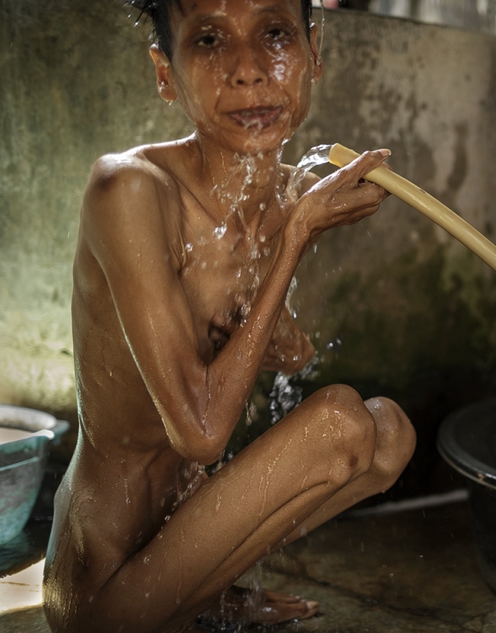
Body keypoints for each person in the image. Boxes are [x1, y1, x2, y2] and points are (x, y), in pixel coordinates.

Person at [43, 1, 416, 631]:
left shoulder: (286, 196)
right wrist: (296, 236)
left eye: (274, 34)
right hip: (101, 595)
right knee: (341, 424)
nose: (249, 70)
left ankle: (199, 591)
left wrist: (275, 323)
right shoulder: (129, 190)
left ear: (312, 52)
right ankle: (179, 598)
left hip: (180, 539)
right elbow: (202, 433)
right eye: (211, 41)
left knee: (390, 434)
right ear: (166, 73)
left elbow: (289, 355)